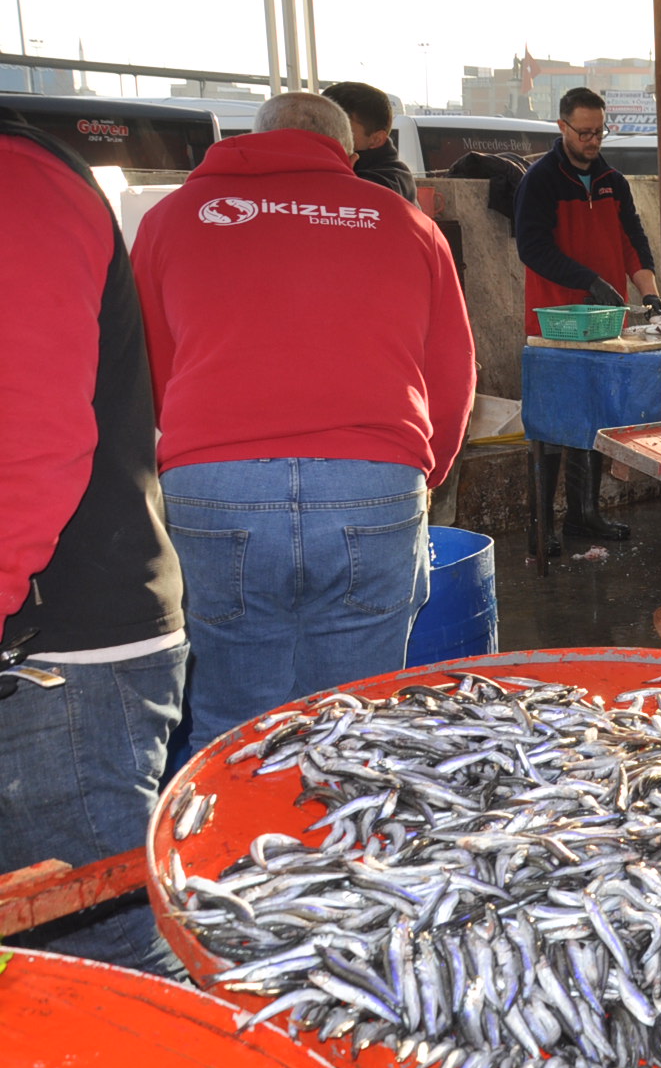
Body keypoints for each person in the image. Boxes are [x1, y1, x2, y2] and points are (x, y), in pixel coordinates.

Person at [132, 92, 475, 757]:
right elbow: (454, 372)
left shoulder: (171, 219)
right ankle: (352, 850)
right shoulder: (403, 221)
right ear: (345, 152)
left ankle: (233, 853)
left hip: (215, 486)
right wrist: (421, 470)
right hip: (372, 477)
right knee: (361, 713)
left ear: (247, 138)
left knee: (234, 712)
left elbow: (148, 363)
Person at [0, 106, 188, 977]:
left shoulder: (19, 183)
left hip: (57, 657)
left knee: (101, 953)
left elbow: (27, 445)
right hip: (47, 634)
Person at [515, 86, 661, 546]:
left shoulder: (612, 182)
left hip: (603, 324)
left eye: (600, 132)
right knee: (552, 425)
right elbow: (533, 248)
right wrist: (587, 279)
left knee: (595, 420)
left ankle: (584, 516)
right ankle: (542, 527)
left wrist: (651, 293)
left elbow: (632, 242)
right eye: (584, 132)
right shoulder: (539, 180)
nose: (593, 140)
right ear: (562, 127)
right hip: (554, 324)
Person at [322, 80, 415, 202]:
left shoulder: (390, 181)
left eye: (341, 129)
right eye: (319, 123)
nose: (325, 133)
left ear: (376, 140)